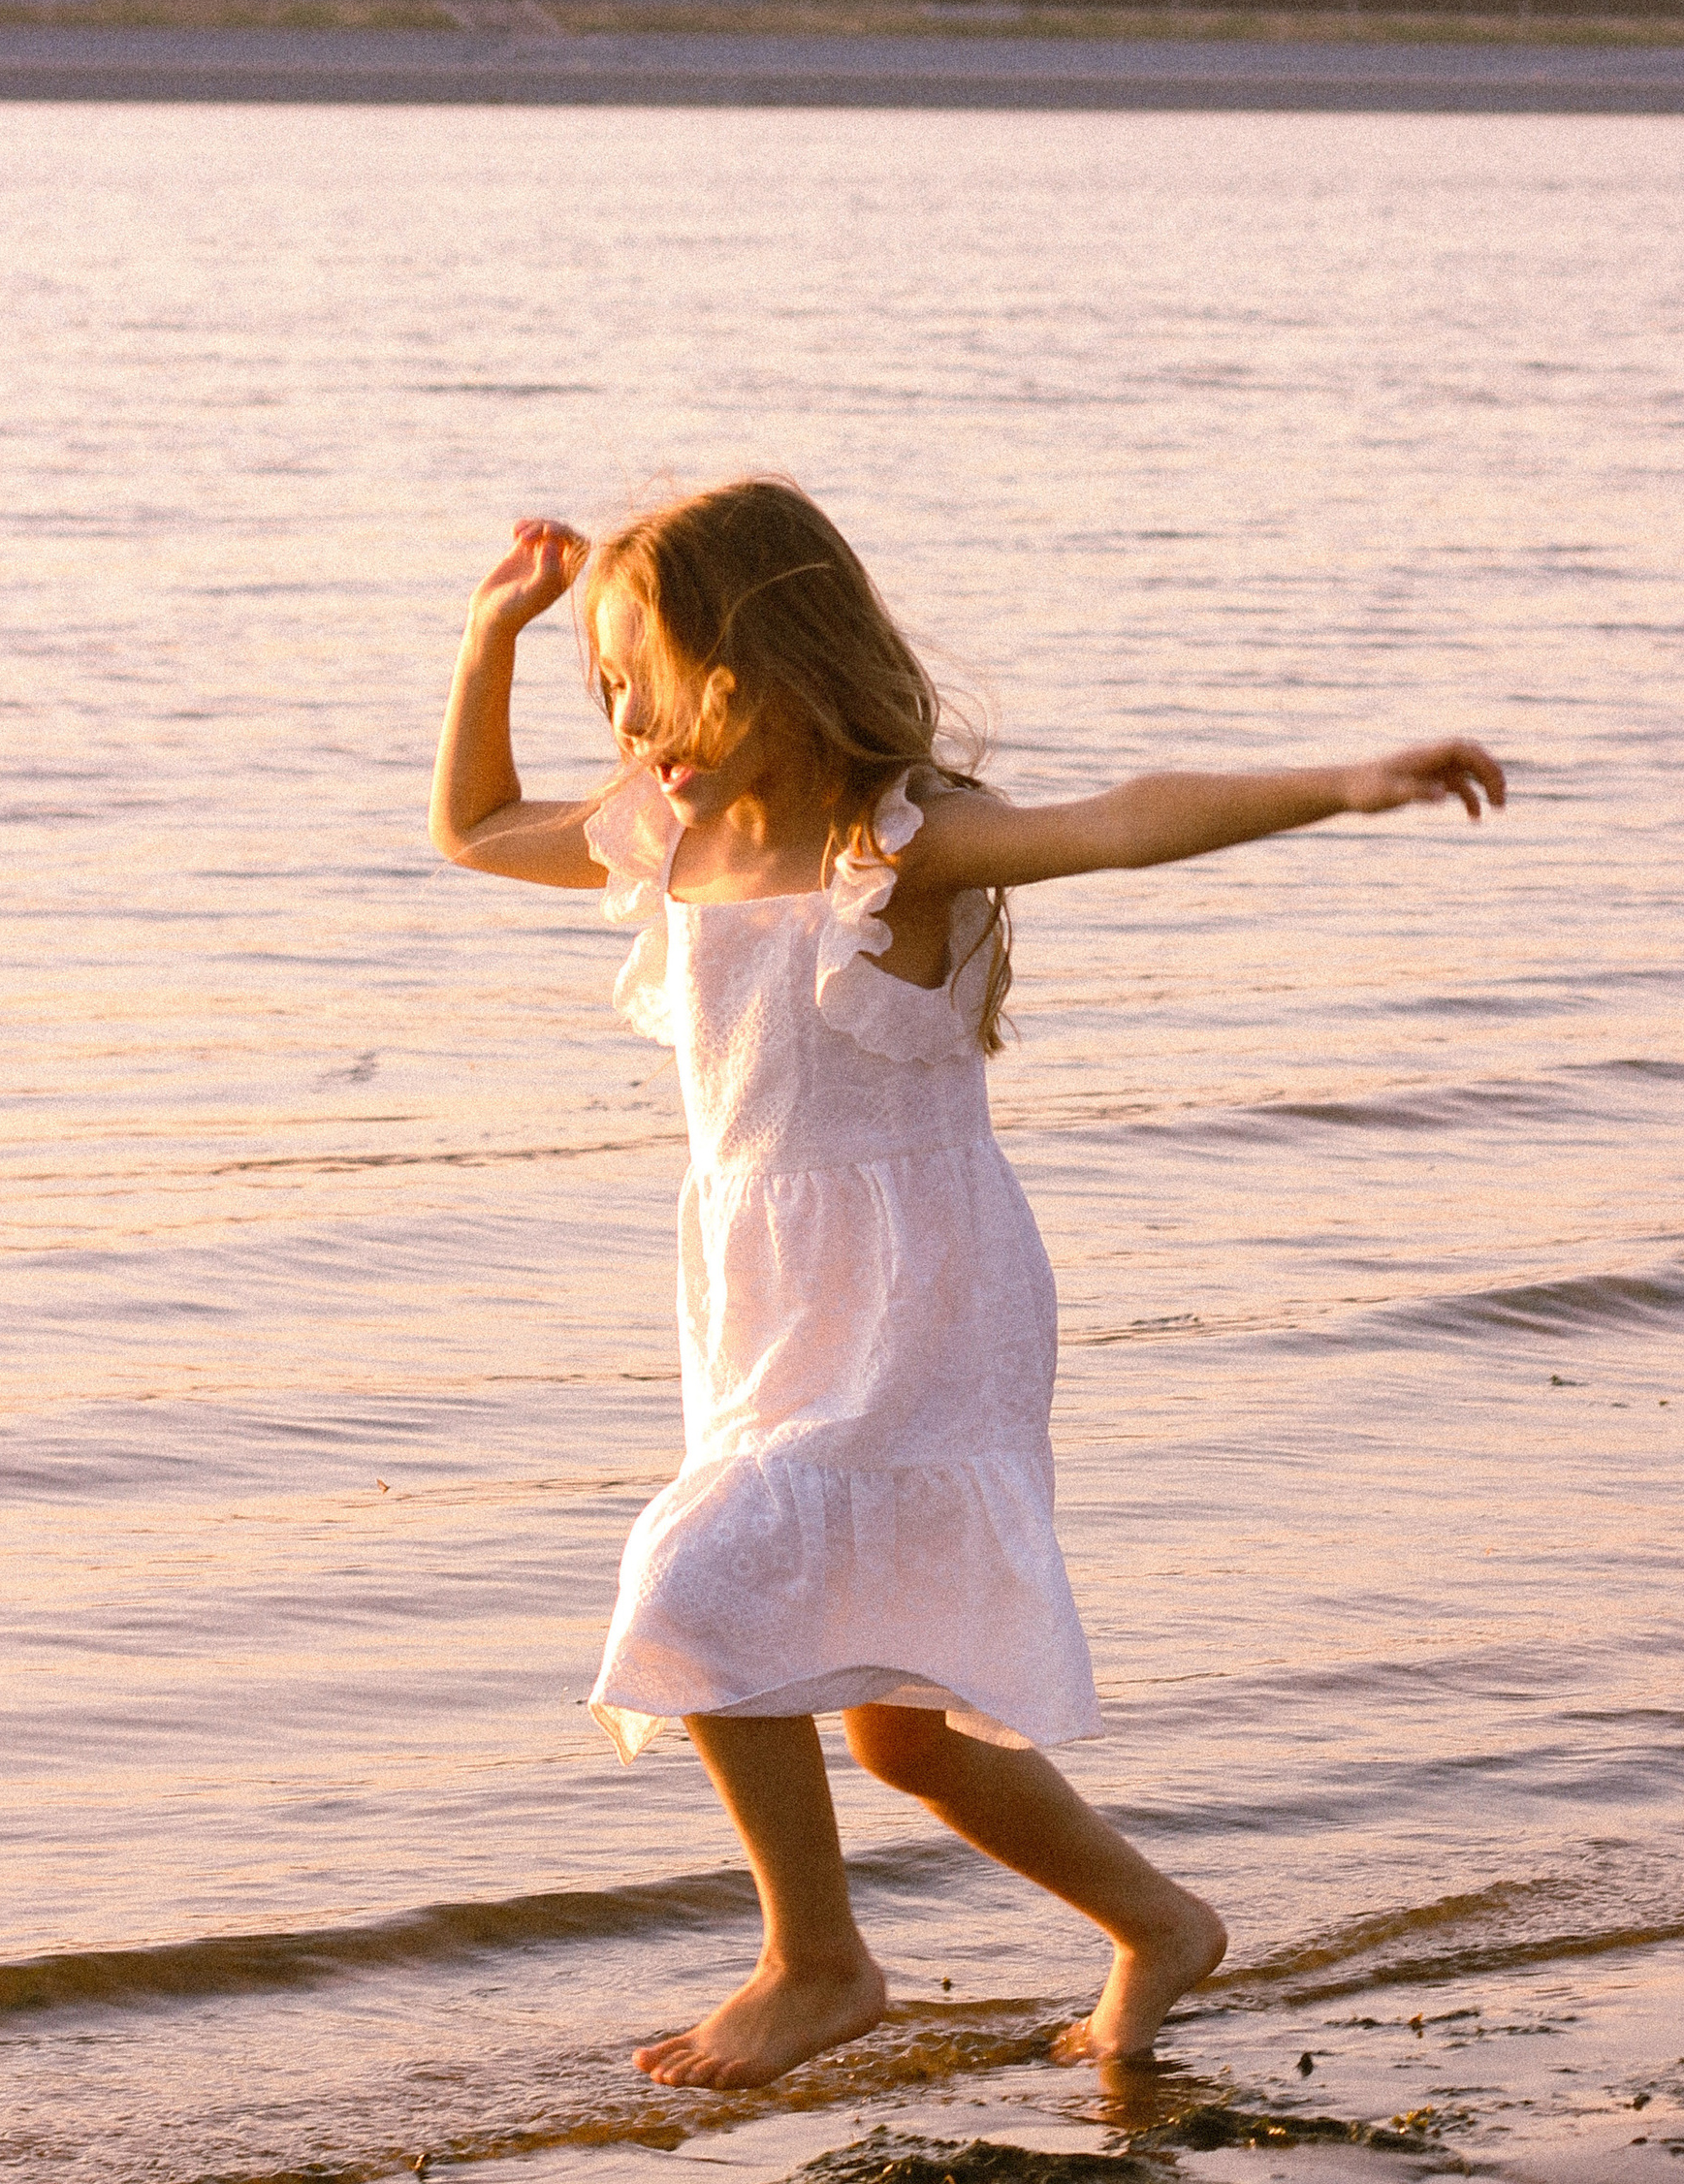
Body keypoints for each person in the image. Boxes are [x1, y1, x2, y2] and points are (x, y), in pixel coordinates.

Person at [429, 478, 1503, 2091]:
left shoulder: (896, 842)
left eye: (628, 677)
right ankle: (1160, 1927)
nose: (619, 717)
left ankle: (818, 1960)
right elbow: (469, 827)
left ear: (737, 669)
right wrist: (486, 637)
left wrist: (1345, 785)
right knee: (903, 1729)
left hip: (919, 1294)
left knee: (696, 1579)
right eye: (599, 687)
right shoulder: (672, 832)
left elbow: (1121, 822)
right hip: (765, 1295)